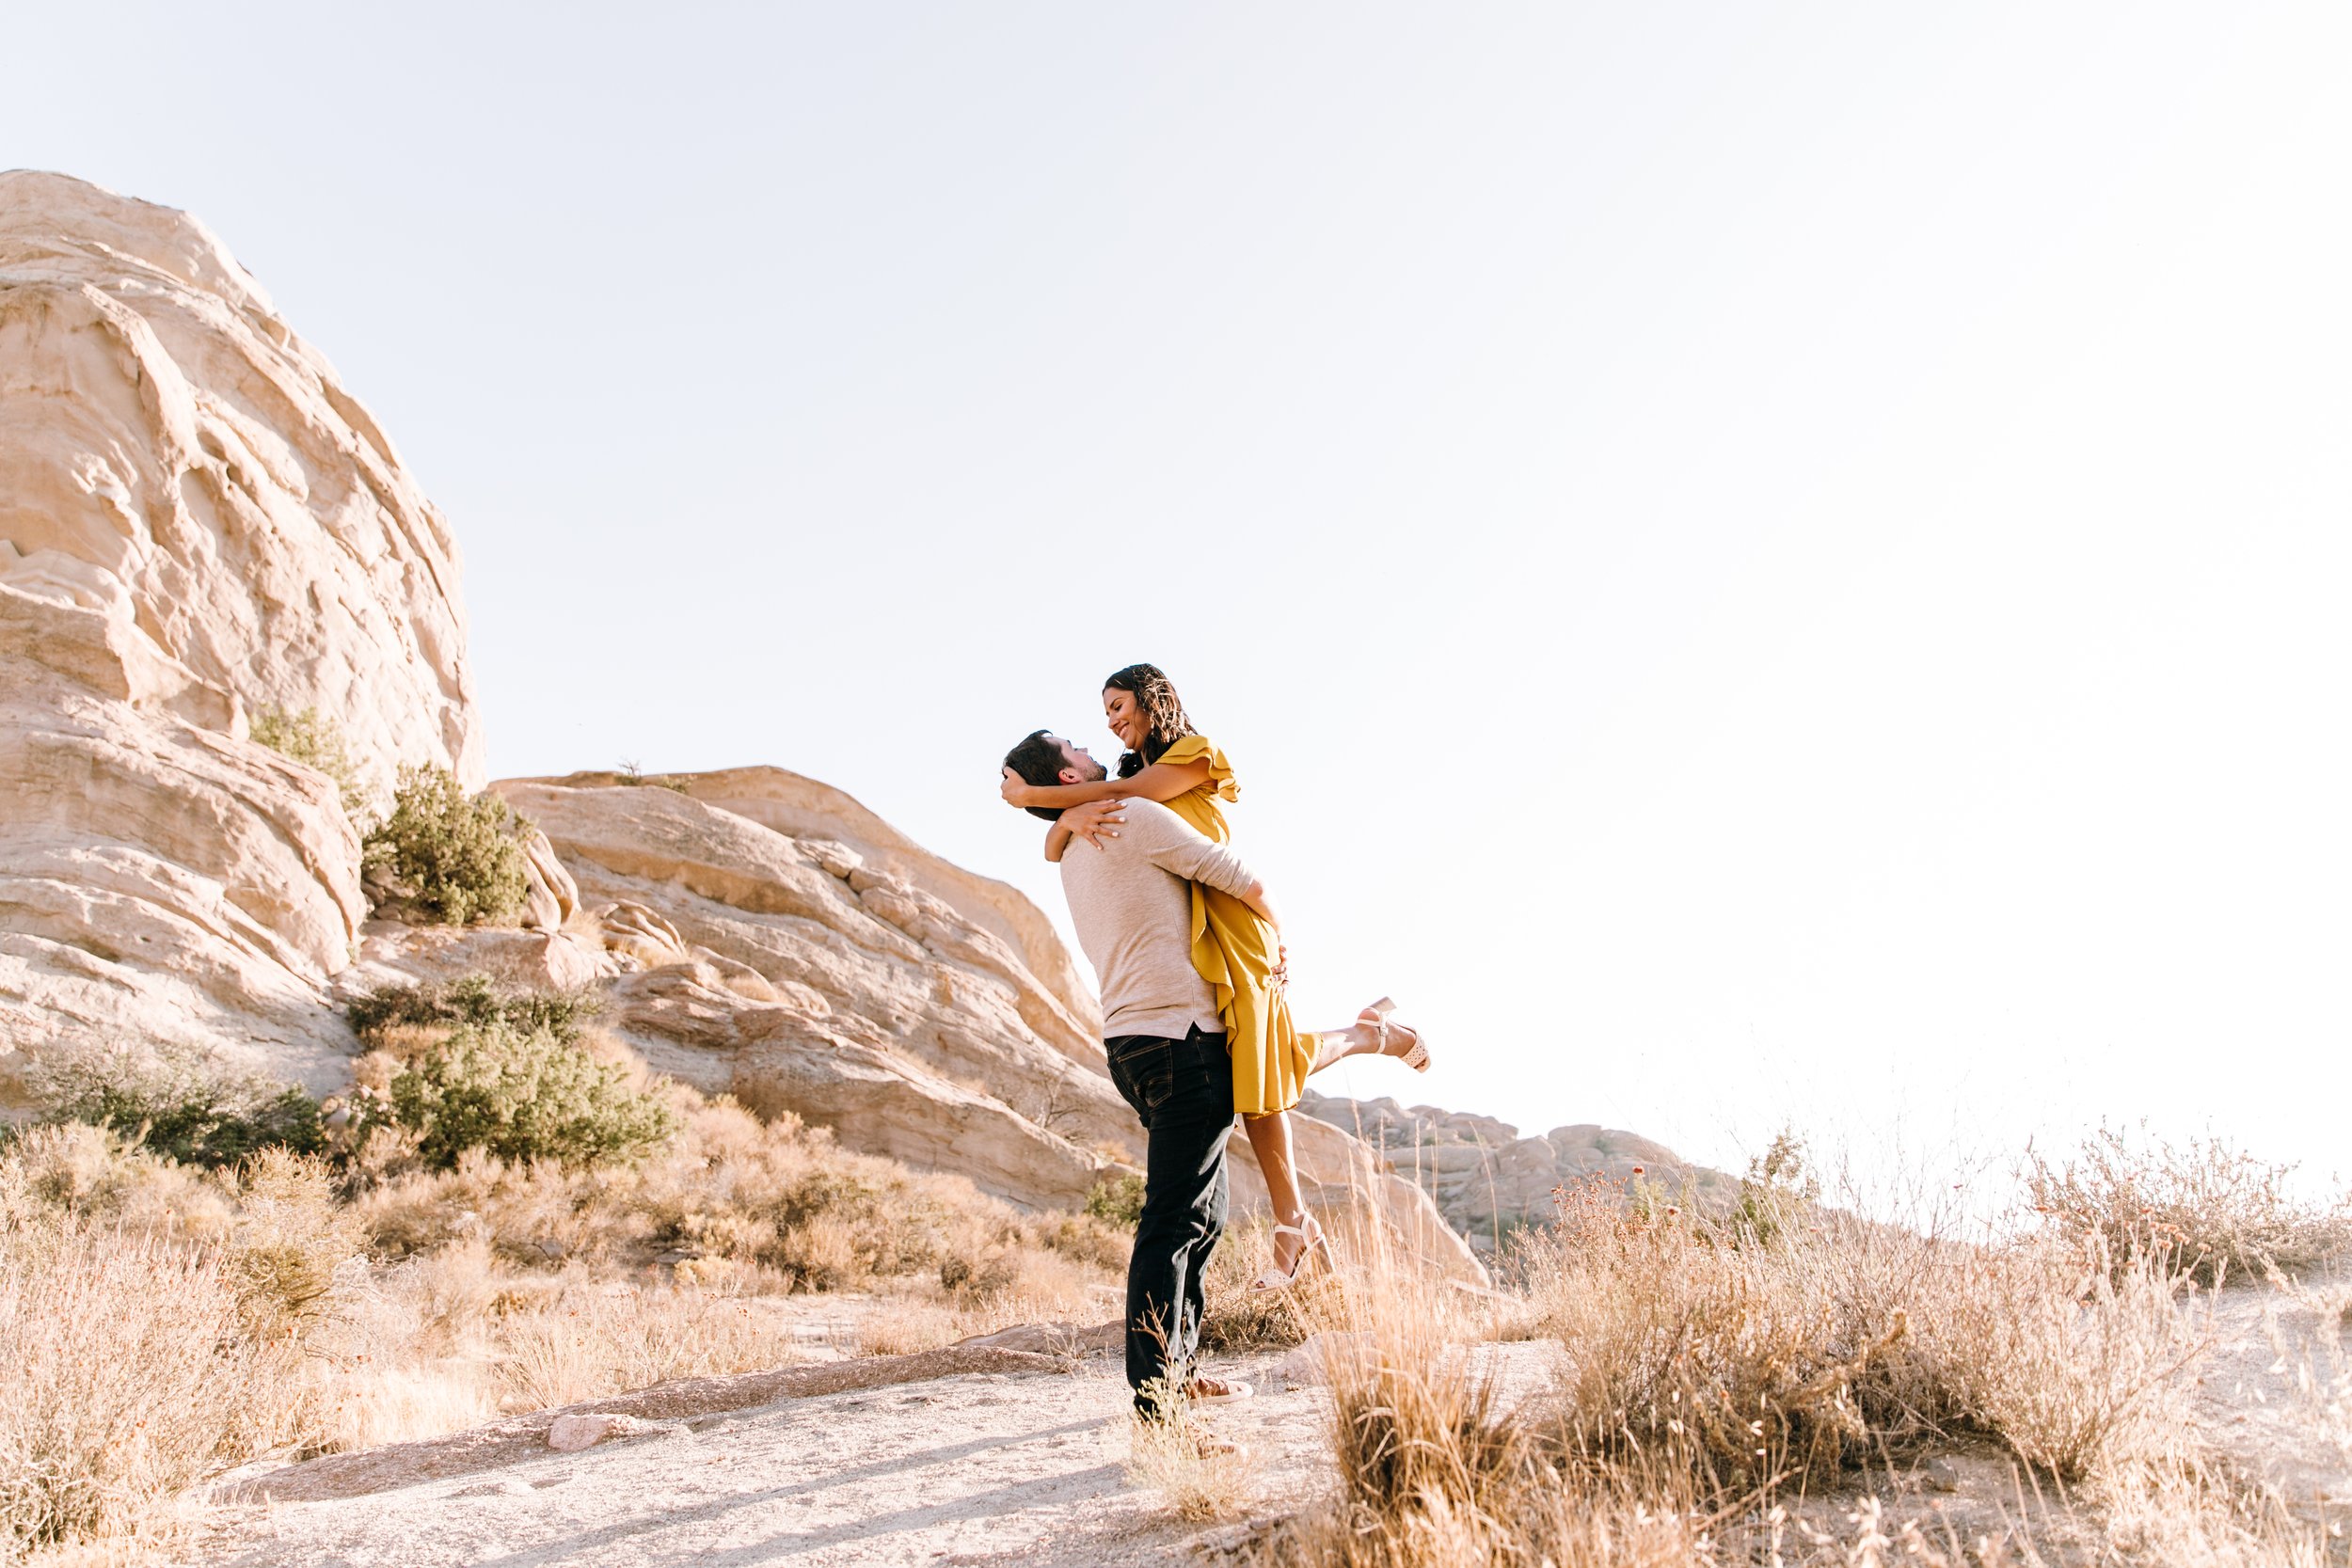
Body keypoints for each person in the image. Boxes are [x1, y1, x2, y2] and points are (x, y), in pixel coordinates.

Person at [1003, 708, 1425, 1320]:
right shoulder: (1105, 807)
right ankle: (1298, 1214)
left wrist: (1038, 802)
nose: (1105, 728)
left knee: (1267, 1071)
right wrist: (1057, 813)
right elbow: (1111, 802)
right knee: (1263, 1077)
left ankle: (1295, 1216)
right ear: (1070, 775)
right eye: (1082, 734)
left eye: (1119, 707)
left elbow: (1122, 800)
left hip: (1229, 926)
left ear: (1155, 703)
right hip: (1203, 940)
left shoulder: (1190, 756)